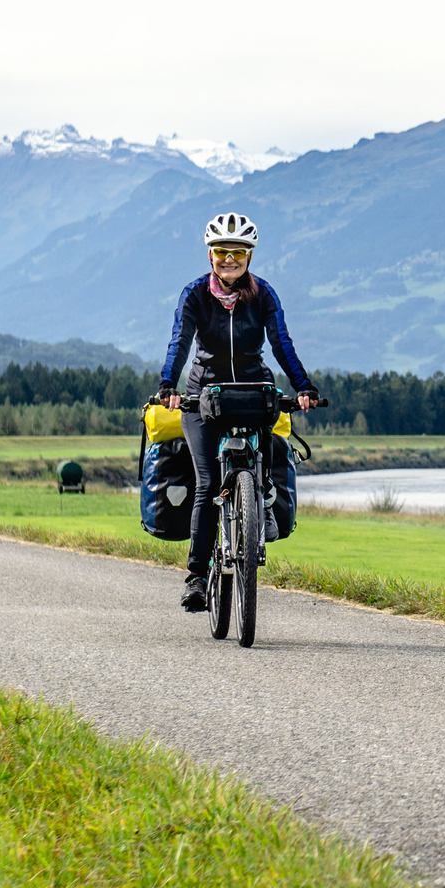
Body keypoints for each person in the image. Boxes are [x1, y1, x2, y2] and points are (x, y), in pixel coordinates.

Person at [153, 212, 318, 612]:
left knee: (267, 456)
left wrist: (303, 386)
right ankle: (196, 577)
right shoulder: (194, 295)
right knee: (208, 483)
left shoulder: (263, 295)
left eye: (239, 252)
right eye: (222, 251)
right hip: (202, 397)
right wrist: (168, 386)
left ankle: (260, 507)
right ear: (210, 255)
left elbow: (282, 344)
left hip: (252, 390)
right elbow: (180, 341)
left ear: (250, 255)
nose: (230, 259)